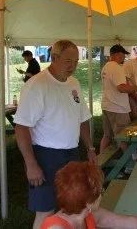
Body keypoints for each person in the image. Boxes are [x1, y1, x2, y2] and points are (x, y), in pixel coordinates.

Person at [14, 40, 96, 229]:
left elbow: (82, 118)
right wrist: (31, 164)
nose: (73, 66)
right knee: (45, 209)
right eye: (68, 61)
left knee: (72, 206)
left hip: (72, 155)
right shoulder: (37, 85)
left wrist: (90, 148)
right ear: (54, 57)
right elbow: (21, 127)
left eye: (76, 61)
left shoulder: (74, 83)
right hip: (45, 156)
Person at [40, 161, 137, 229]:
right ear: (88, 201)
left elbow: (132, 223)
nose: (101, 195)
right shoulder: (56, 227)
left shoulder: (87, 213)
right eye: (99, 192)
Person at [99, 44, 137, 152]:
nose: (124, 57)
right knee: (124, 137)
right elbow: (121, 88)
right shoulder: (116, 67)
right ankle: (128, 164)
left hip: (107, 105)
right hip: (118, 108)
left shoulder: (106, 66)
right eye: (123, 55)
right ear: (117, 54)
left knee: (107, 136)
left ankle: (98, 163)